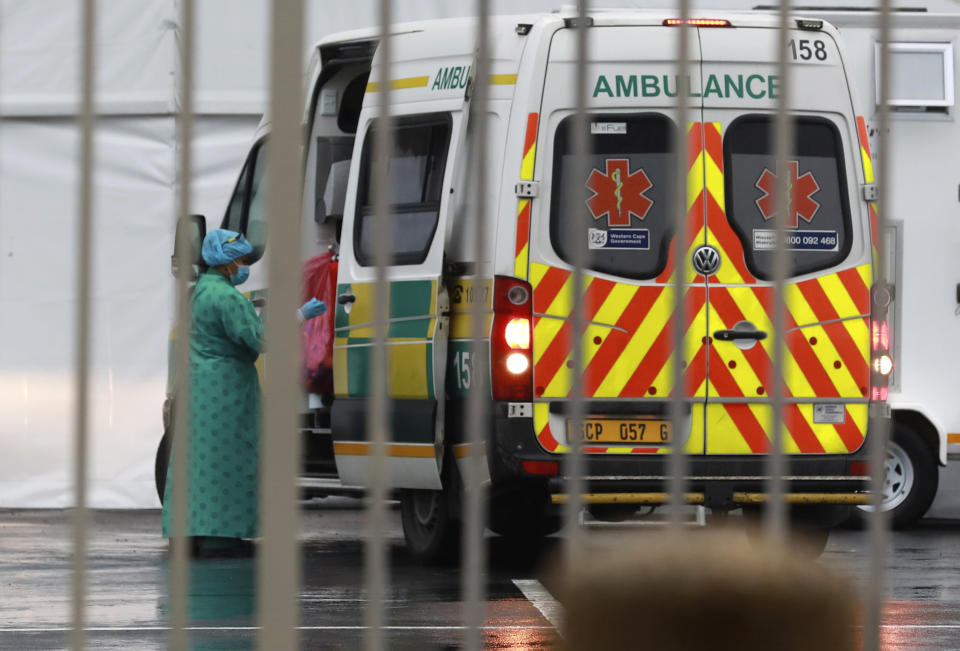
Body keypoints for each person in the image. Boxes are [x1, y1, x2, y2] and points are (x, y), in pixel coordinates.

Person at [161, 229, 326, 558]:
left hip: (199, 387)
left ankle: (192, 531)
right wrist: (299, 315)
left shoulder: (200, 291)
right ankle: (223, 535)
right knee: (229, 459)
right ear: (223, 262)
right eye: (240, 259)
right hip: (226, 391)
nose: (244, 265)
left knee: (198, 462)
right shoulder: (227, 297)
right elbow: (259, 338)